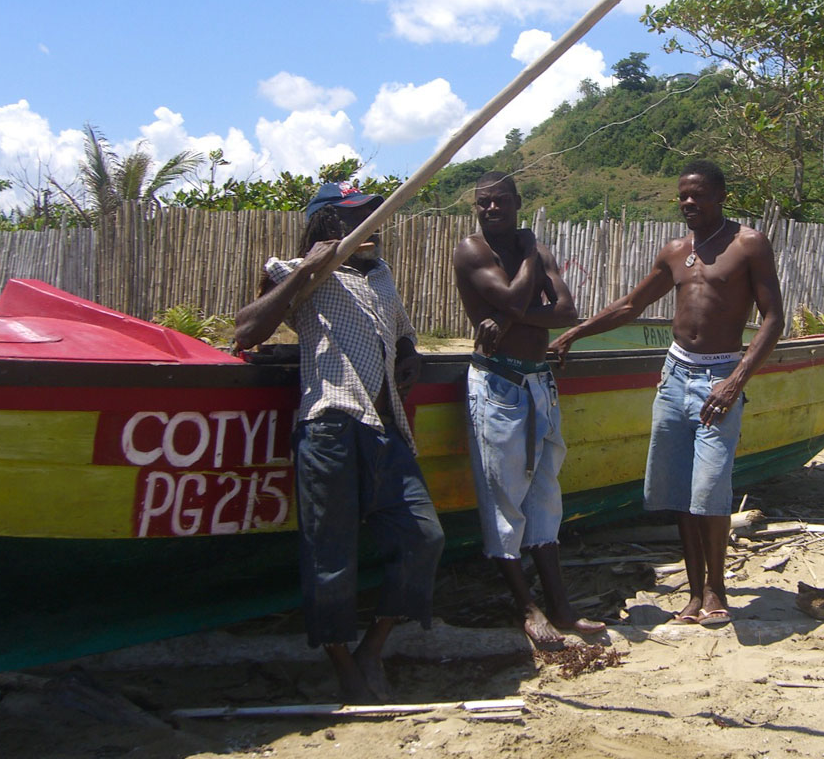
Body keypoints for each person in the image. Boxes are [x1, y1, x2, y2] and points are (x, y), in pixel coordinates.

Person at [234, 182, 445, 704]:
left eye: (371, 217)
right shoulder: (292, 270)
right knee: (329, 555)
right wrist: (310, 268)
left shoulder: (380, 275)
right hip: (328, 424)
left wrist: (408, 352)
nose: (369, 225)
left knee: (424, 536)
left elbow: (401, 336)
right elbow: (246, 331)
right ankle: (344, 665)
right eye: (356, 217)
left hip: (383, 426)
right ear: (329, 225)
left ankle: (372, 647)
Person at [550, 160, 784, 626]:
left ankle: (718, 592)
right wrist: (574, 334)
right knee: (679, 490)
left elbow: (774, 319)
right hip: (674, 376)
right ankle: (695, 595)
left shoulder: (749, 244)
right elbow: (631, 305)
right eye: (682, 196)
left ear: (720, 195)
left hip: (720, 377)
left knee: (710, 488)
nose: (689, 203)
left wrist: (736, 381)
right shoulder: (676, 250)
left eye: (698, 195)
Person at [452, 172, 606, 647]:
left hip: (539, 382)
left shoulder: (533, 253)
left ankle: (561, 607)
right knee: (504, 500)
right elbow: (519, 297)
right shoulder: (472, 250)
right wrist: (531, 261)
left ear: (518, 202)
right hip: (499, 383)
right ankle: (528, 607)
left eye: (500, 202)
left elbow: (567, 312)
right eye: (483, 203)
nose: (491, 209)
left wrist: (509, 314)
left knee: (543, 497)